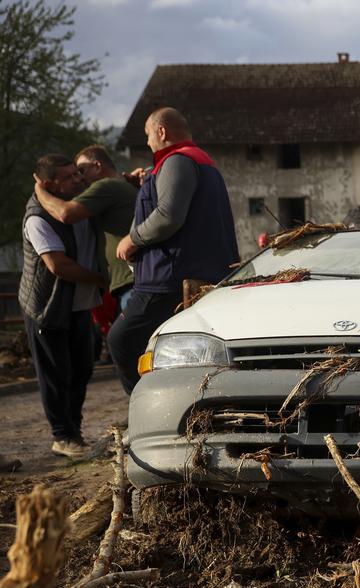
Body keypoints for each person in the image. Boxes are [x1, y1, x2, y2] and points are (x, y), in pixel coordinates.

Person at [108, 106, 240, 395]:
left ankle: (140, 407)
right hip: (194, 272)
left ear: (162, 131)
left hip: (168, 277)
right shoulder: (199, 161)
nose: (147, 143)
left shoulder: (177, 162)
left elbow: (168, 215)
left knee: (122, 339)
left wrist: (133, 239)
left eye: (147, 135)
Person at [19, 154, 107, 458]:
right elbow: (58, 266)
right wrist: (100, 278)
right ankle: (63, 436)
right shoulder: (37, 217)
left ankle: (74, 432)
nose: (78, 179)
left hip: (78, 304)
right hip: (48, 307)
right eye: (69, 176)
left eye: (76, 174)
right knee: (56, 374)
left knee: (82, 368)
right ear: (48, 185)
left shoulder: (77, 203)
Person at [34, 144, 136, 312]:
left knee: (124, 338)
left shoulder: (106, 186)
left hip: (130, 284)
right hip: (129, 283)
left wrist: (40, 191)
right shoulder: (120, 185)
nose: (79, 179)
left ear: (97, 166)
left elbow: (66, 213)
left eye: (81, 171)